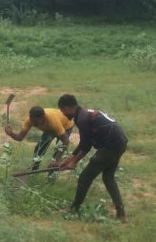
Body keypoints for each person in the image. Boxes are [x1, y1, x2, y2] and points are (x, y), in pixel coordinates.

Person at [54, 94, 128, 222]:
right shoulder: (84, 114)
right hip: (120, 142)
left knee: (84, 178)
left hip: (110, 147)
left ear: (69, 107)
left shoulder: (82, 119)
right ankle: (121, 214)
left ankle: (74, 208)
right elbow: (84, 142)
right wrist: (70, 158)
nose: (63, 113)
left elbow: (87, 146)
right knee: (108, 178)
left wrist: (74, 162)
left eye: (62, 110)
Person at [4, 106, 73, 170]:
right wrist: (11, 133)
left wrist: (56, 160)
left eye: (36, 122)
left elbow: (65, 141)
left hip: (65, 125)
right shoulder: (30, 121)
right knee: (39, 148)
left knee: (57, 151)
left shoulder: (53, 121)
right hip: (49, 129)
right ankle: (34, 170)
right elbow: (20, 138)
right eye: (32, 121)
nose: (34, 124)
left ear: (43, 117)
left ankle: (51, 176)